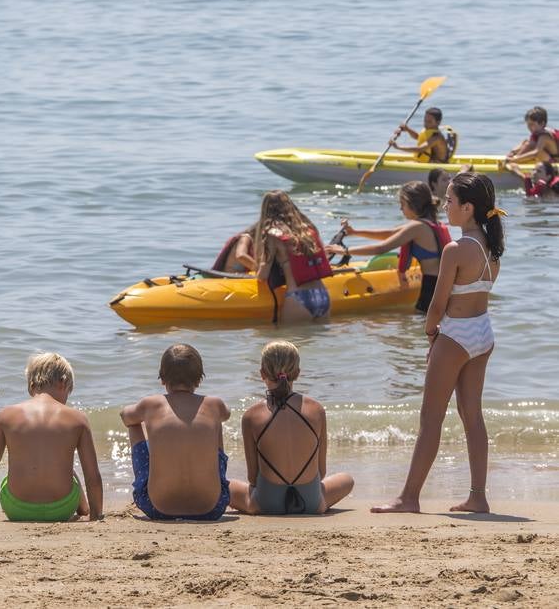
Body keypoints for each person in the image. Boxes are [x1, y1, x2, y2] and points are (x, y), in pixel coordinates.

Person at [372, 172, 505, 514]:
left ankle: (409, 497)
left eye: (450, 201)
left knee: (431, 418)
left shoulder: (456, 249)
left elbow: (437, 304)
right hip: (483, 333)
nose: (445, 206)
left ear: (467, 207)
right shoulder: (492, 247)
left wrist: (432, 334)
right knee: (472, 416)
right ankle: (478, 496)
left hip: (456, 334)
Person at [0, 353, 103, 522]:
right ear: (63, 383)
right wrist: (96, 516)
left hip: (16, 508)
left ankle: (81, 508)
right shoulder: (78, 419)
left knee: (9, 477)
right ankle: (85, 509)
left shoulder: (5, 416)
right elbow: (93, 477)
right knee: (71, 473)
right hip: (62, 509)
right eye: (68, 392)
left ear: (31, 385)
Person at [228, 341, 354, 515]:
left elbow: (252, 478)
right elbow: (321, 472)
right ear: (298, 373)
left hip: (266, 504)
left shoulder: (251, 415)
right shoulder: (316, 409)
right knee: (347, 479)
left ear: (262, 373)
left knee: (224, 485)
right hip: (312, 503)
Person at [120, 344, 231, 521]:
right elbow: (226, 414)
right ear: (199, 380)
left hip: (156, 507)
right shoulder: (214, 405)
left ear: (162, 379)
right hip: (213, 507)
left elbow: (125, 416)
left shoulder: (151, 404)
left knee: (134, 424)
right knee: (215, 422)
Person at [327, 181, 452, 315]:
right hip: (442, 284)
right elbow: (390, 234)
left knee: (423, 322)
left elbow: (380, 248)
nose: (400, 209)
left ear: (412, 204)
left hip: (431, 286)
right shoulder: (432, 224)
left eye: (402, 204)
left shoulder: (417, 227)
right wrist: (355, 232)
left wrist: (343, 251)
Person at [255, 190, 333, 323]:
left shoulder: (272, 234)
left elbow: (263, 275)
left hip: (298, 297)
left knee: (289, 336)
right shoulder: (308, 229)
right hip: (323, 295)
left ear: (265, 210)